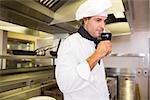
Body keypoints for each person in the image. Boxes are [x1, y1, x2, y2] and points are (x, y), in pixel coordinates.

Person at [55, 0, 112, 100]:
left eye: (104, 21)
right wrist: (97, 55)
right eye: (98, 20)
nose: (103, 26)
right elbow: (65, 84)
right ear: (85, 20)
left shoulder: (94, 42)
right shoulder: (69, 44)